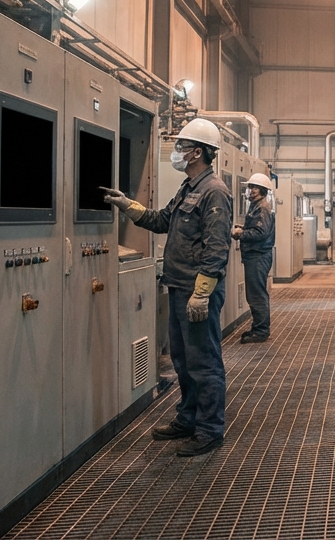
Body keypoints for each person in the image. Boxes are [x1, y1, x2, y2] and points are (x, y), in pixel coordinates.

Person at [102, 118, 232, 457]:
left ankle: (209, 430)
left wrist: (202, 292)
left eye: (182, 147)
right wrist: (127, 205)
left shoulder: (214, 190)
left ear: (197, 153)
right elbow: (161, 220)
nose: (176, 152)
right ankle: (187, 419)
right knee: (183, 360)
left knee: (203, 363)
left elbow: (217, 247)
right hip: (178, 286)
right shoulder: (189, 188)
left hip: (196, 291)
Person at [233, 172, 276, 344]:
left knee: (256, 294)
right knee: (255, 294)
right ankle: (259, 327)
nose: (250, 190)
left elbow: (260, 232)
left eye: (254, 188)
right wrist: (244, 227)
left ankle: (261, 331)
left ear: (262, 190)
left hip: (258, 256)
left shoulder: (262, 207)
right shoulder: (257, 206)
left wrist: (240, 233)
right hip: (255, 256)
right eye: (249, 187)